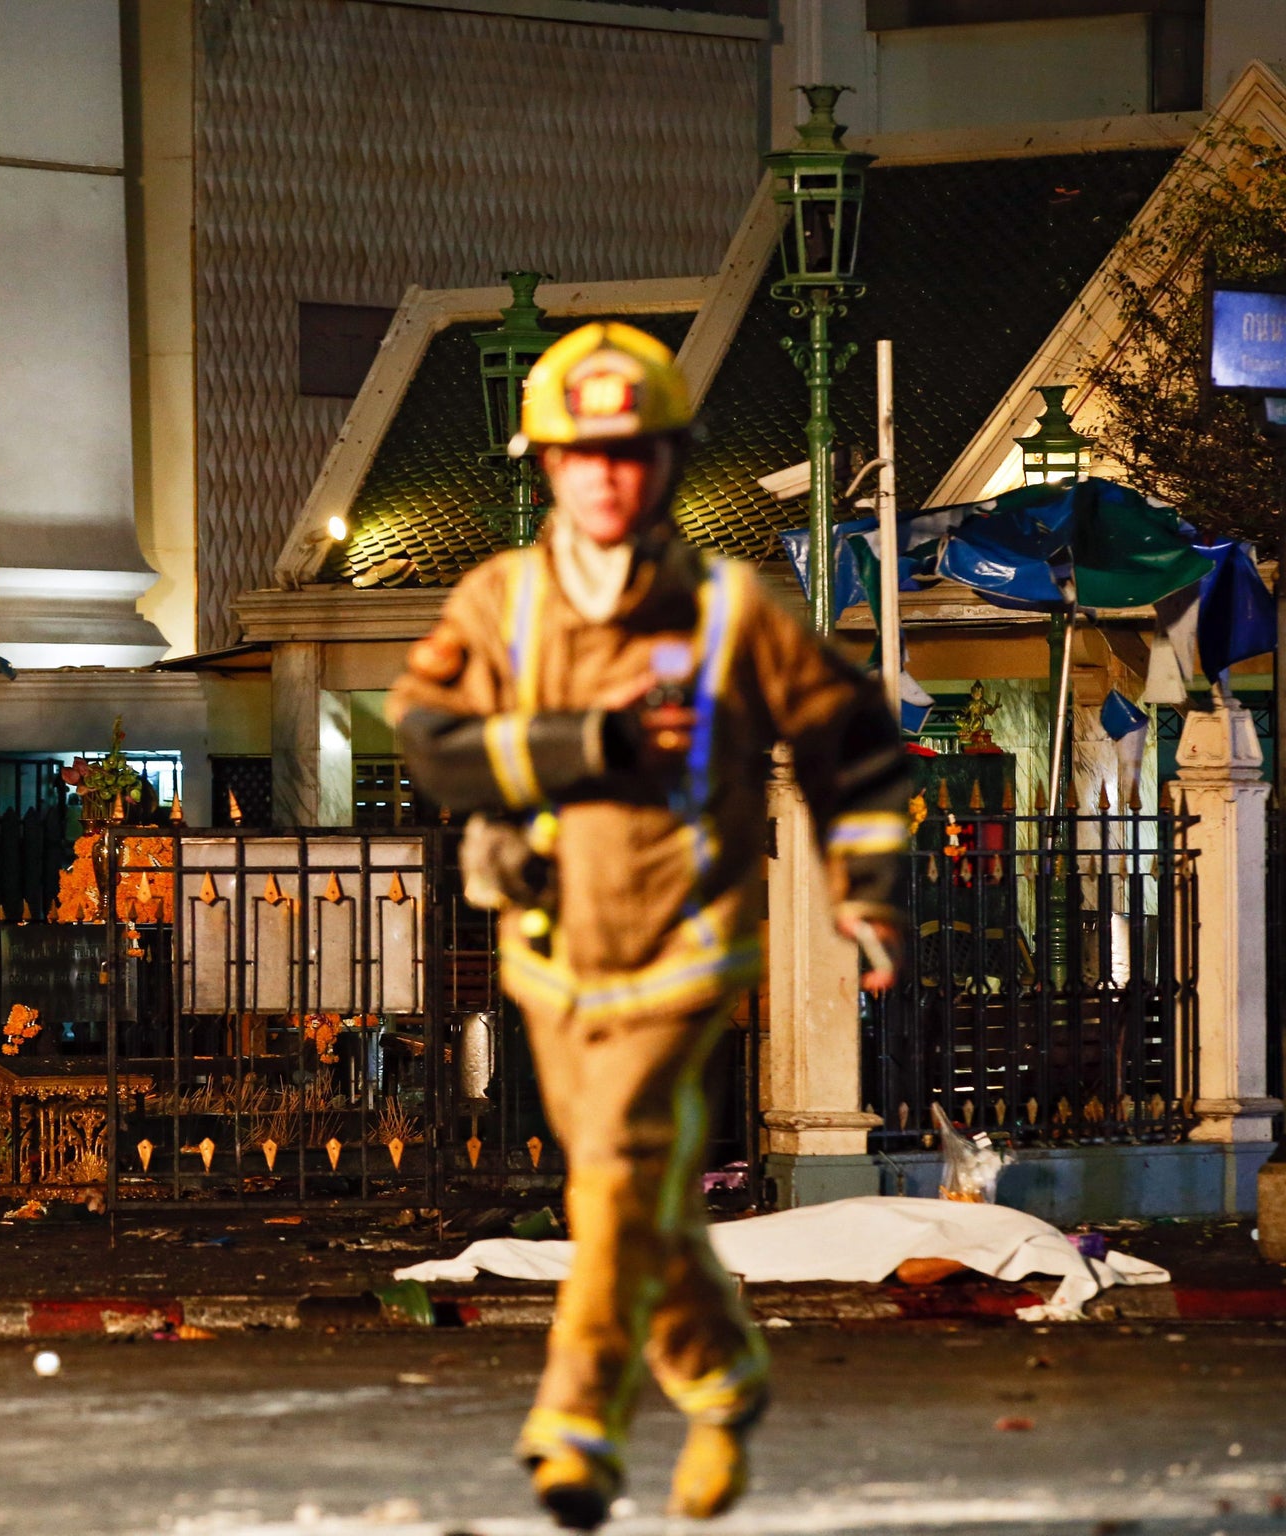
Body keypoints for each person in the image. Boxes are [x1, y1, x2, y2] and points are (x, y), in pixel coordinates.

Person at [389, 322, 908, 1529]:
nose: (607, 475)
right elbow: (426, 743)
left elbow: (856, 746)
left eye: (632, 454)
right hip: (548, 946)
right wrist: (582, 741)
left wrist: (864, 891)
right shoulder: (498, 602)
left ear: (666, 464)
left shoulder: (729, 610)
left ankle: (574, 1424)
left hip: (685, 949)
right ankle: (721, 1380)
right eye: (582, 454)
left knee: (620, 1170)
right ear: (546, 468)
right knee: (629, 1195)